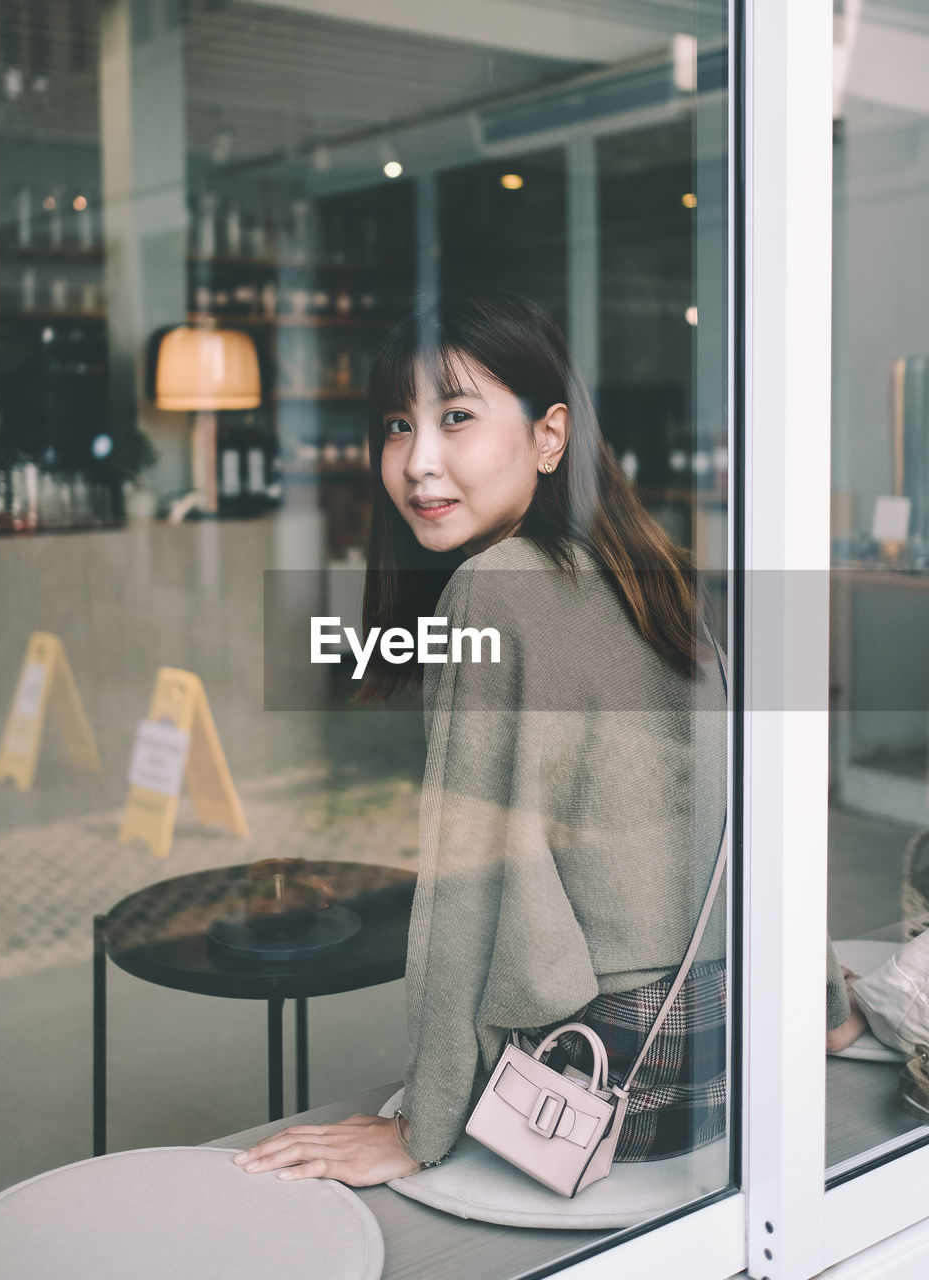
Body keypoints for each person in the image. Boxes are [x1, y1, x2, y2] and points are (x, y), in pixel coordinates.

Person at [236, 290, 859, 1188]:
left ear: (550, 436)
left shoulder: (492, 591)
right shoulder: (656, 575)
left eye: (456, 417)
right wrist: (821, 999)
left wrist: (422, 1126)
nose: (419, 462)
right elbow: (756, 811)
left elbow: (470, 890)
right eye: (397, 426)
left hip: (603, 1074)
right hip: (736, 1042)